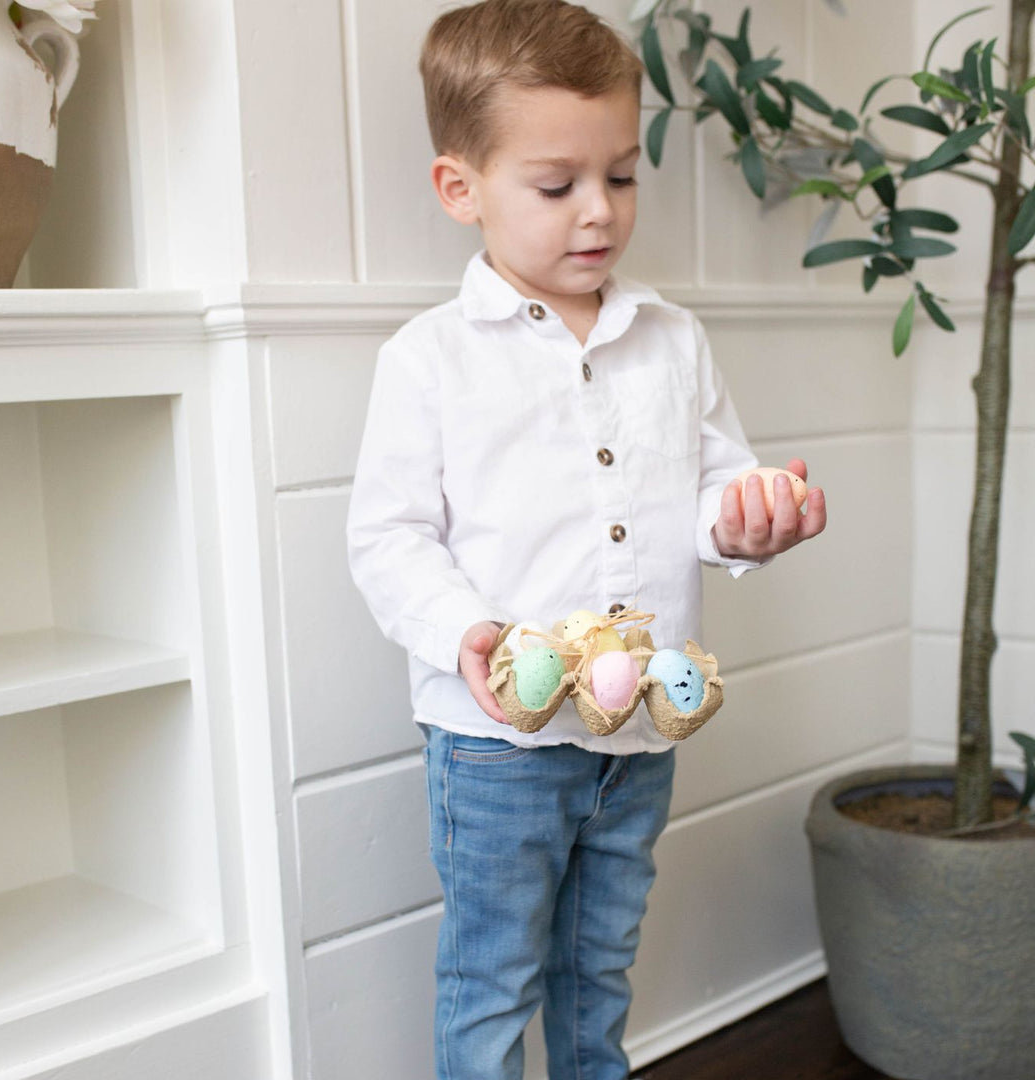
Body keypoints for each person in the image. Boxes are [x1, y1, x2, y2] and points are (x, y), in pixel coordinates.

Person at [346, 1, 827, 1076]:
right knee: (493, 974)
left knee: (598, 963)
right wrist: (466, 628)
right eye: (557, 186)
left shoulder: (672, 340)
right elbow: (387, 536)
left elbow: (710, 491)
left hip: (640, 734)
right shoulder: (429, 361)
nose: (599, 211)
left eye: (621, 175)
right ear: (460, 188)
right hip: (497, 745)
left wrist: (750, 518)